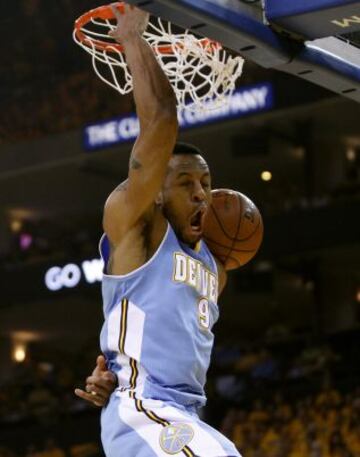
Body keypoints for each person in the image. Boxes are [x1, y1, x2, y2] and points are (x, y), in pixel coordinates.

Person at [75, 3, 240, 456]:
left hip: (181, 414)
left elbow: (146, 325)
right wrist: (131, 37)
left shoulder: (216, 268)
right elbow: (162, 119)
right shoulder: (139, 230)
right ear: (158, 195)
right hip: (143, 408)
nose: (201, 194)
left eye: (206, 183)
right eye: (186, 183)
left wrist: (109, 366)